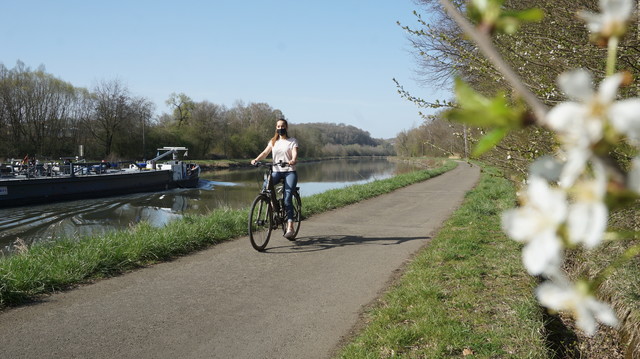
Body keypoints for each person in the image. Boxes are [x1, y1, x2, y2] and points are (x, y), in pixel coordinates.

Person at [251, 117, 299, 239]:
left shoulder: (292, 141)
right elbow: (265, 153)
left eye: (282, 126)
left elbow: (294, 153)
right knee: (266, 187)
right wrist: (256, 159)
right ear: (276, 128)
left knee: (287, 199)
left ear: (286, 127)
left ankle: (290, 227)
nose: (280, 128)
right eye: (278, 126)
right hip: (276, 171)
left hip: (289, 172)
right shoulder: (273, 141)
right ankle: (272, 205)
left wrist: (293, 160)